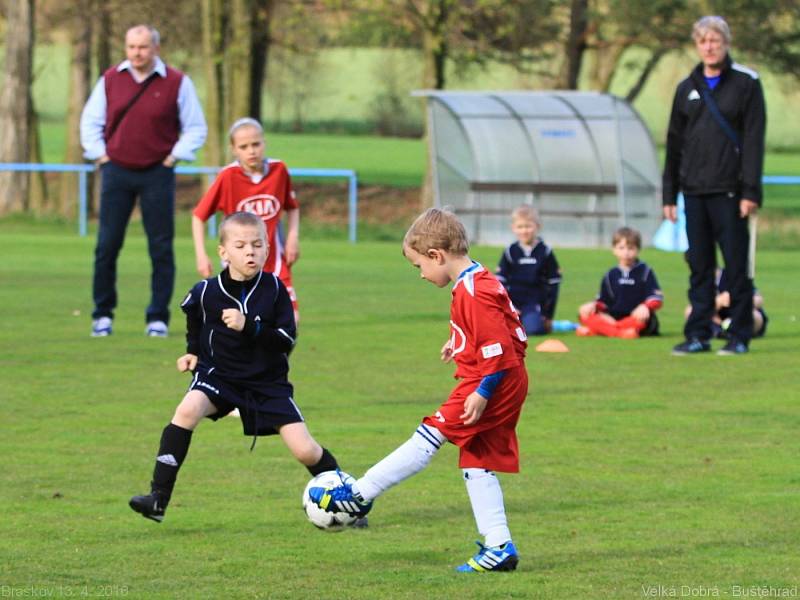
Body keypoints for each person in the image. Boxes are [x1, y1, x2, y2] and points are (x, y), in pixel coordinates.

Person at [308, 208, 529, 573]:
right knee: (476, 462)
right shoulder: (479, 278)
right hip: (504, 377)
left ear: (436, 256)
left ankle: (358, 495)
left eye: (419, 267)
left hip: (491, 381)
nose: (422, 275)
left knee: (429, 435)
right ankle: (499, 545)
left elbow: (499, 348)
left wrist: (483, 391)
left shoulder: (473, 292)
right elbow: (498, 328)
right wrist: (460, 342)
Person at [128, 212, 339, 523]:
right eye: (240, 245)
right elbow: (195, 323)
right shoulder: (204, 292)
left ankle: (350, 499)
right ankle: (158, 498)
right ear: (223, 252)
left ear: (268, 249)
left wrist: (249, 326)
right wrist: (192, 353)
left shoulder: (276, 290)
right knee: (187, 411)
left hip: (267, 384)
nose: (250, 252)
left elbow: (285, 340)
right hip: (219, 376)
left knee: (305, 450)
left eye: (257, 245)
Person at [80, 24, 207, 338]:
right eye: (132, 47)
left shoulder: (178, 82)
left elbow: (195, 127)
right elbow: (90, 122)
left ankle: (157, 317)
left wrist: (172, 158)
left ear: (156, 49)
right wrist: (101, 157)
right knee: (107, 246)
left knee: (161, 248)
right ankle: (102, 315)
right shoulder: (110, 80)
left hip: (157, 173)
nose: (137, 53)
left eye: (143, 47)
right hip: (116, 171)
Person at [662, 15, 766, 356]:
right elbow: (674, 144)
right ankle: (697, 334)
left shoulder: (747, 84)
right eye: (703, 41)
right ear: (697, 45)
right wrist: (669, 194)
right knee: (699, 266)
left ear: (726, 43)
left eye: (715, 41)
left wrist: (751, 190)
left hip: (732, 193)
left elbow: (753, 141)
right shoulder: (686, 87)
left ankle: (738, 335)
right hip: (693, 191)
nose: (709, 47)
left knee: (737, 268)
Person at [192, 118, 300, 321]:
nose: (251, 151)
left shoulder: (279, 171)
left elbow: (292, 208)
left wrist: (293, 238)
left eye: (256, 144)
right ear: (234, 149)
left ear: (264, 143)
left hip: (274, 260)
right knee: (239, 323)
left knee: (291, 320)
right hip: (238, 264)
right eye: (244, 146)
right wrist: (201, 255)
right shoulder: (227, 177)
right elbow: (199, 216)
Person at [577, 227, 663, 339]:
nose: (626, 253)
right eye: (621, 248)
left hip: (636, 317)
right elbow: (604, 301)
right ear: (614, 250)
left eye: (630, 248)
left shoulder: (645, 271)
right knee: (584, 314)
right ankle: (621, 332)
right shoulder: (610, 274)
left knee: (642, 320)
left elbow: (656, 299)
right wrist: (593, 305)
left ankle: (600, 330)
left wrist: (645, 307)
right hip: (613, 317)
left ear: (638, 249)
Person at [495, 205, 562, 336]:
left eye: (528, 226)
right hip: (512, 304)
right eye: (520, 227)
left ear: (538, 226)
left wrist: (548, 315)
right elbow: (499, 283)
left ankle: (555, 324)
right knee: (499, 331)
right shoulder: (510, 251)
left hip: (533, 304)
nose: (524, 231)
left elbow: (554, 285)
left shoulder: (545, 251)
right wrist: (507, 305)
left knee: (533, 330)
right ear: (513, 228)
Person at [684, 267, 768, 339]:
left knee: (754, 316)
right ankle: (719, 331)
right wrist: (717, 303)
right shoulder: (698, 280)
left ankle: (732, 331)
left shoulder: (730, 274)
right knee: (690, 311)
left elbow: (758, 300)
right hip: (716, 317)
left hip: (737, 312)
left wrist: (734, 300)